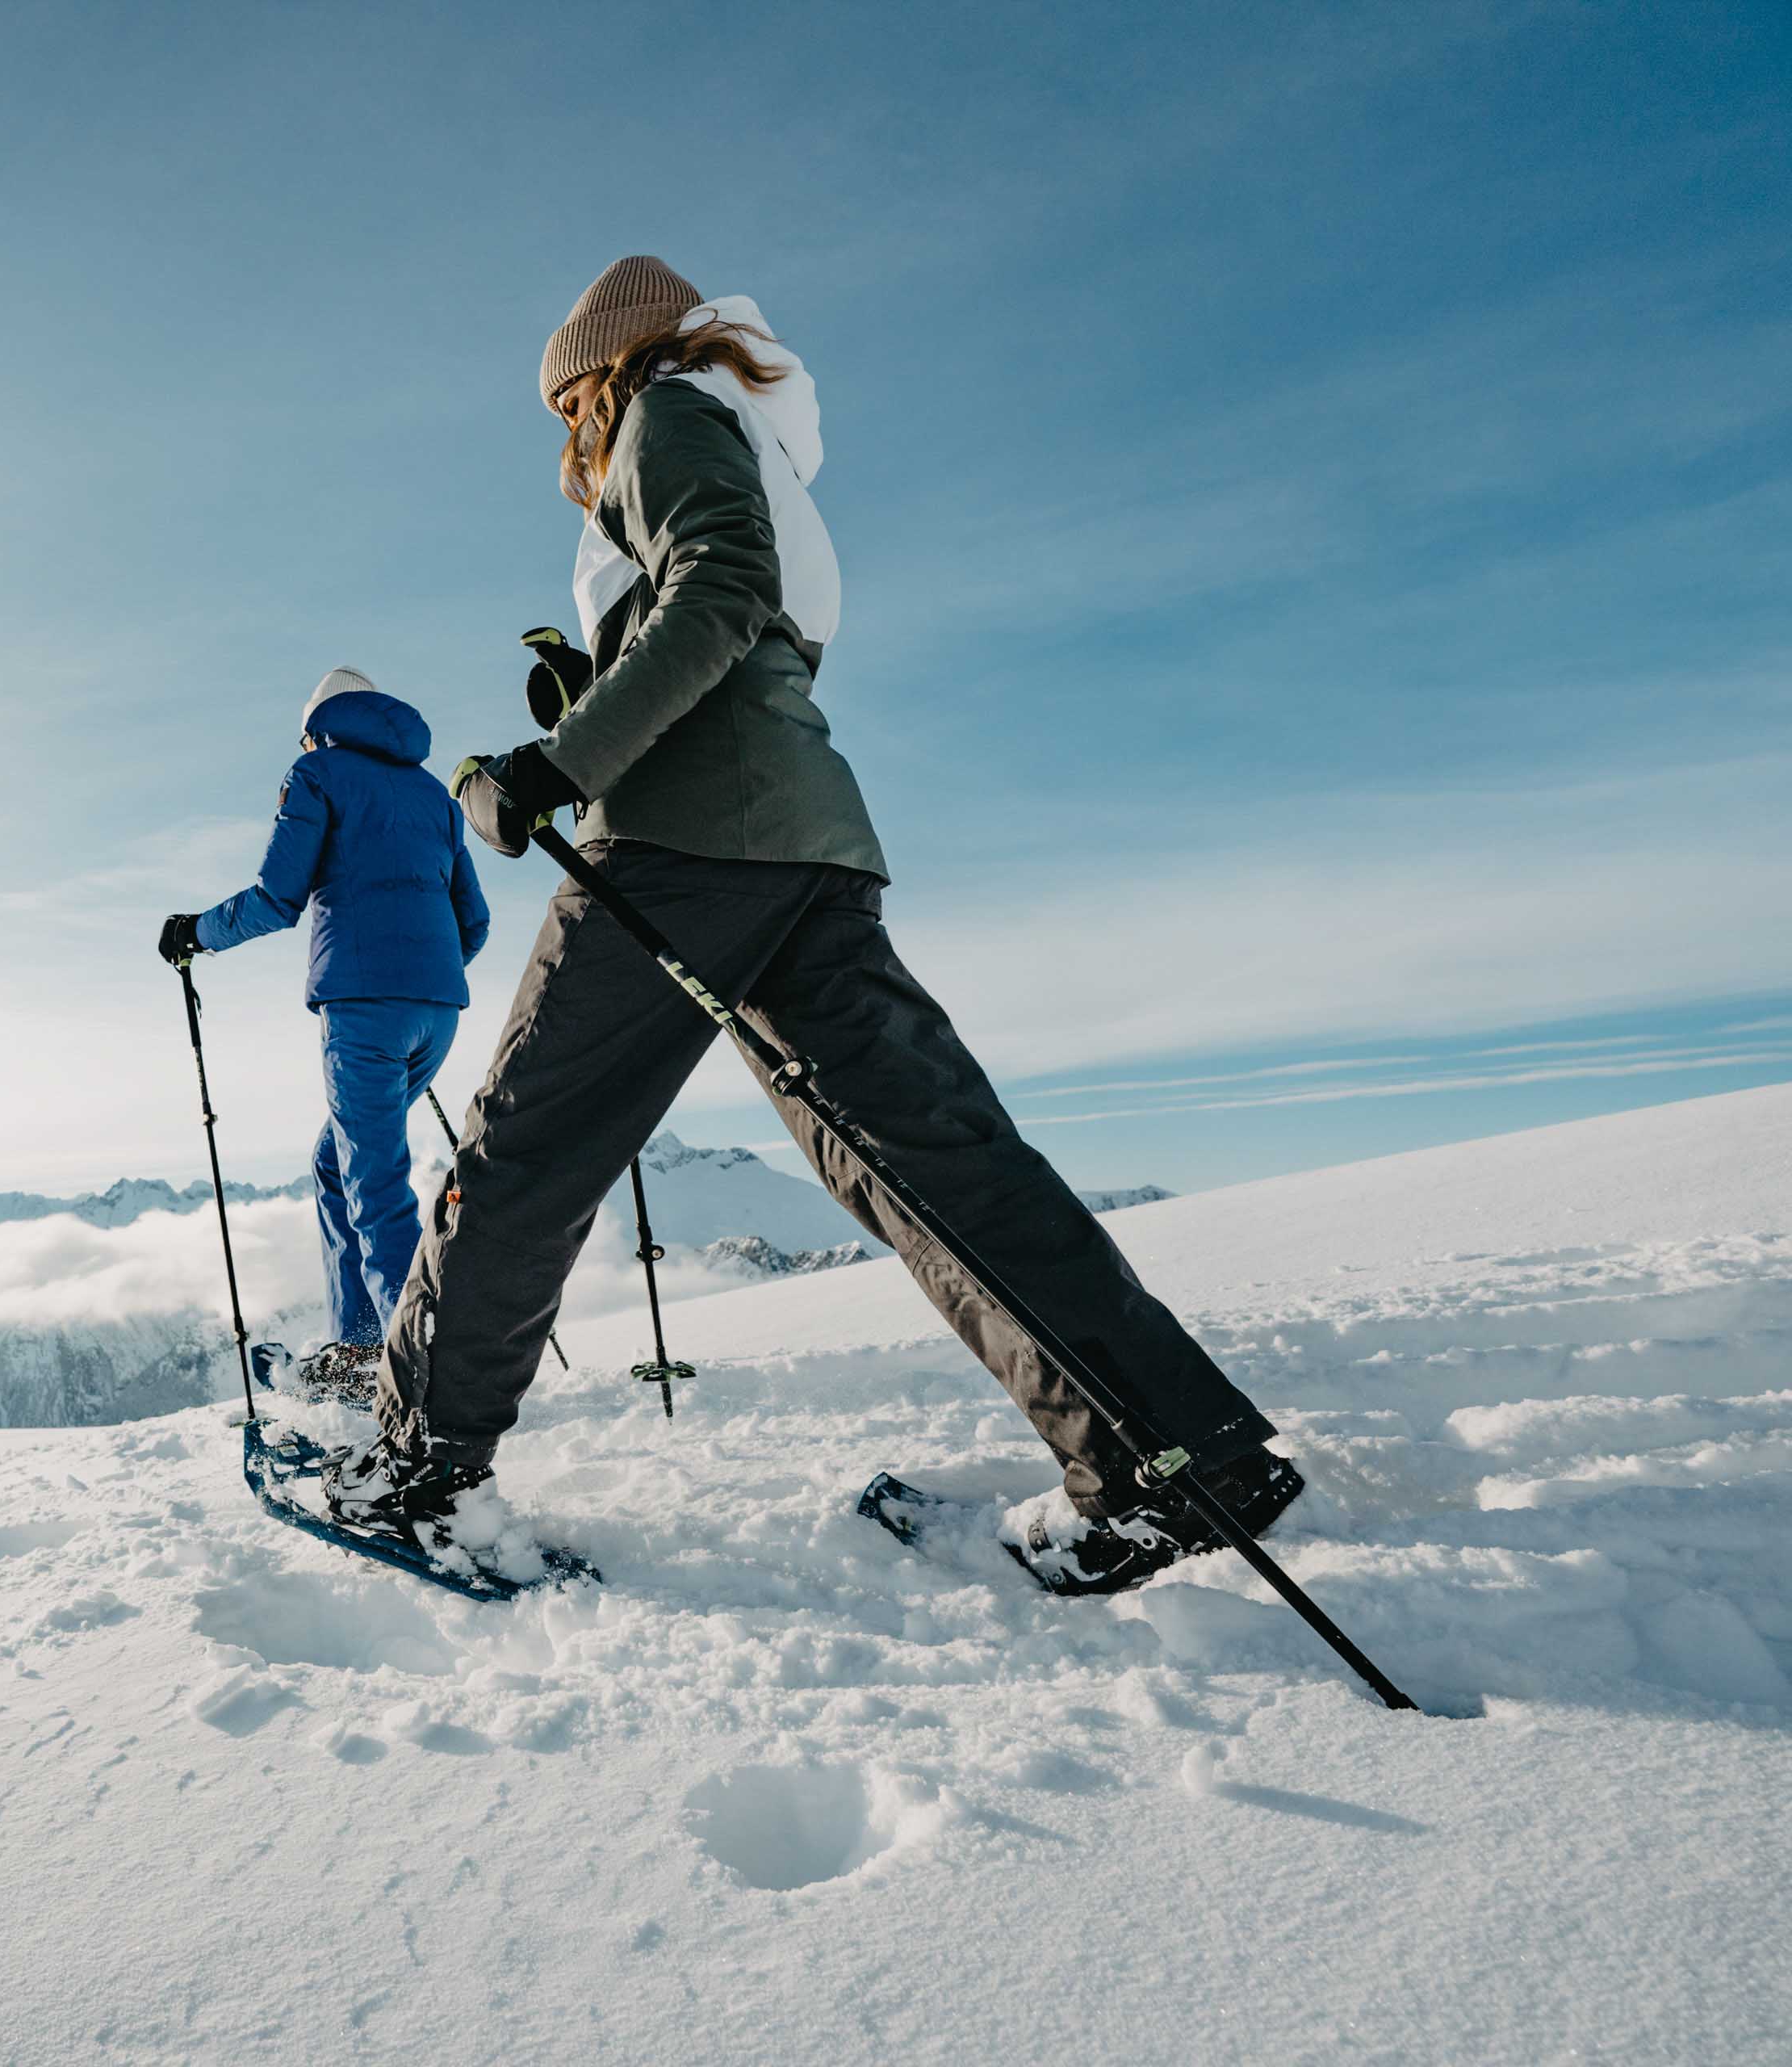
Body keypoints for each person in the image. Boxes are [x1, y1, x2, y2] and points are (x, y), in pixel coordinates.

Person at [341, 257, 1302, 1593]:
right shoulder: (762, 446)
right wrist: (605, 676)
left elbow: (719, 591)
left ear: (607, 365)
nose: (570, 435)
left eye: (569, 403)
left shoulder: (667, 409)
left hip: (677, 852)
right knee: (932, 1162)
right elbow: (754, 635)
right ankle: (1172, 1459)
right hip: (806, 849)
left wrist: (562, 759)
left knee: (524, 1153)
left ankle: (412, 1475)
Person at [163, 669, 491, 1406]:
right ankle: (363, 1345)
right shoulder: (433, 793)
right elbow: (474, 922)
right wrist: (422, 973)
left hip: (363, 1006)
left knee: (374, 1185)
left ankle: (418, 1368)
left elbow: (279, 899)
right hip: (436, 1009)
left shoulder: (315, 771)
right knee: (339, 1164)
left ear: (317, 727)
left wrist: (196, 934)